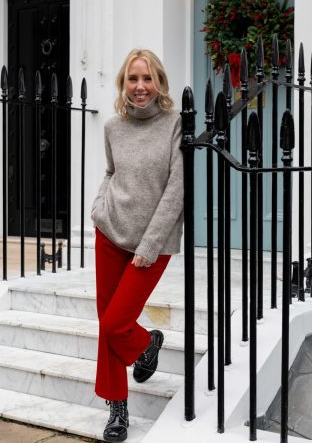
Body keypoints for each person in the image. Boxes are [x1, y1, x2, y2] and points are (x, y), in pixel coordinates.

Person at [91, 48, 184, 442]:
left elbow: (176, 190)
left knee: (116, 324)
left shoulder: (176, 124)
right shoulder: (113, 126)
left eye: (147, 79)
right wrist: (98, 207)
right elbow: (111, 172)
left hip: (152, 243)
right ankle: (117, 408)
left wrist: (149, 244)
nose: (140, 87)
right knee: (107, 325)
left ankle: (149, 343)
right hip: (110, 233)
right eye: (133, 79)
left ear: (159, 82)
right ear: (123, 83)